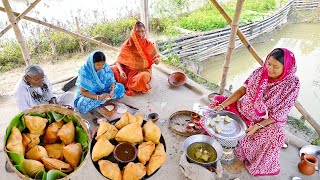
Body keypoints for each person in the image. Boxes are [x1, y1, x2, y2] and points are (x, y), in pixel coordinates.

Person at [207, 48, 300, 176]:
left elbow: (280, 114)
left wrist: (257, 126)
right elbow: (241, 91)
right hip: (242, 110)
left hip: (266, 121)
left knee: (277, 135)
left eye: (276, 67)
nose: (270, 69)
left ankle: (252, 157)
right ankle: (236, 138)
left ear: (287, 68)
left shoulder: (292, 85)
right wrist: (223, 105)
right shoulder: (259, 73)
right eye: (269, 64)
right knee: (216, 104)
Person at [110, 21, 160, 96]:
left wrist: (157, 60)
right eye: (138, 31)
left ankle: (123, 84)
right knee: (110, 70)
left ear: (145, 31)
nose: (140, 34)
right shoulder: (128, 43)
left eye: (142, 31)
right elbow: (119, 60)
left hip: (141, 72)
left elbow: (157, 59)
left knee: (143, 78)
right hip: (126, 70)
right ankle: (122, 83)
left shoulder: (149, 45)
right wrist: (121, 71)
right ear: (134, 32)